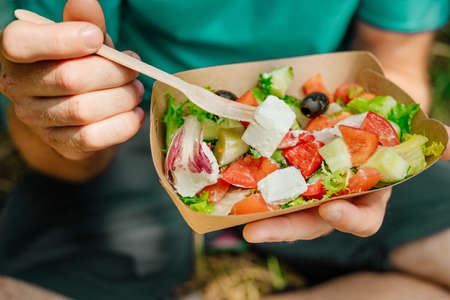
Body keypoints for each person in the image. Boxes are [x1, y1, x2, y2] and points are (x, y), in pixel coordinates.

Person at [0, 0, 449, 299]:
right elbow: (52, 153)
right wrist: (71, 128)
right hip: (141, 130)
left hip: (322, 125)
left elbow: (397, 62)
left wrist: (368, 164)